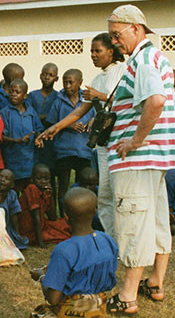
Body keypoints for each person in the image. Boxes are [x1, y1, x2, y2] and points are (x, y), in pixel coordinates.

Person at [103, 5, 175, 315]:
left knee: (133, 221)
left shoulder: (144, 59)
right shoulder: (155, 57)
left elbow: (156, 100)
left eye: (115, 35)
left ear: (136, 29)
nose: (113, 42)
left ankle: (127, 296)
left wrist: (135, 140)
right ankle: (155, 282)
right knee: (156, 219)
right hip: (155, 158)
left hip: (138, 158)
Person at [36, 33, 126, 238]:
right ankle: (112, 240)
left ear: (111, 51)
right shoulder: (97, 78)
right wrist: (55, 128)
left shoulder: (123, 72)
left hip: (120, 141)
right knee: (104, 194)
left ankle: (124, 239)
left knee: (119, 194)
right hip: (104, 144)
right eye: (91, 51)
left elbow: (128, 102)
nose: (93, 55)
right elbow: (80, 111)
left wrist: (101, 96)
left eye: (98, 51)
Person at [15, 187, 116, 318]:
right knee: (91, 310)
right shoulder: (108, 240)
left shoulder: (64, 250)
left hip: (71, 316)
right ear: (94, 212)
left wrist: (41, 277)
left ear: (66, 216)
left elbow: (53, 298)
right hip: (99, 308)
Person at [46, 69, 95, 215]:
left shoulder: (88, 100)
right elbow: (51, 124)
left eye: (71, 82)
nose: (67, 86)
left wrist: (92, 120)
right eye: (65, 82)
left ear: (79, 82)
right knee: (63, 186)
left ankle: (82, 215)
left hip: (83, 150)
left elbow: (96, 115)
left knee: (82, 186)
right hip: (64, 151)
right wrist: (68, 124)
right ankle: (63, 216)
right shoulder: (59, 101)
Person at [0, 78, 43, 192]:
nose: (13, 94)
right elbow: (1, 136)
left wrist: (39, 137)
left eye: (17, 92)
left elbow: (38, 128)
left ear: (25, 96)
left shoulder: (31, 111)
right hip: (13, 160)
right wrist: (17, 140)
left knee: (29, 191)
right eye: (11, 91)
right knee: (14, 190)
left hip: (29, 159)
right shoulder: (4, 113)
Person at [18, 163, 71, 246]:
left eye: (46, 179)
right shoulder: (32, 188)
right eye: (39, 178)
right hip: (30, 231)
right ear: (32, 179)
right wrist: (40, 242)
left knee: (64, 224)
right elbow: (36, 217)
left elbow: (52, 217)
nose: (43, 182)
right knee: (64, 235)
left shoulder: (44, 191)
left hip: (41, 226)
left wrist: (51, 196)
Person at [27, 63, 60, 177]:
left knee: (52, 173)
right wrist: (48, 117)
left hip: (52, 138)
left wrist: (39, 116)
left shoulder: (58, 97)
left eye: (51, 75)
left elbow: (58, 119)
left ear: (56, 78)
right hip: (35, 137)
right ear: (40, 76)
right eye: (45, 74)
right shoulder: (32, 95)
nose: (47, 77)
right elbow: (30, 116)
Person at [0, 169, 27, 249]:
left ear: (12, 185)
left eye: (6, 179)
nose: (2, 180)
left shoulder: (12, 195)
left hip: (6, 227)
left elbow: (14, 215)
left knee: (19, 242)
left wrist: (17, 233)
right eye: (0, 177)